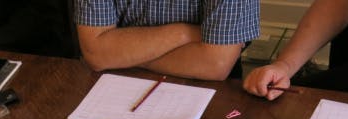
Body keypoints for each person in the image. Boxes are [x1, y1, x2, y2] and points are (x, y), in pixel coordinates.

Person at [74, 0, 260, 80]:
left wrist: (120, 56)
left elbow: (215, 64)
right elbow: (96, 54)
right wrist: (185, 34)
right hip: (114, 87)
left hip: (208, 94)